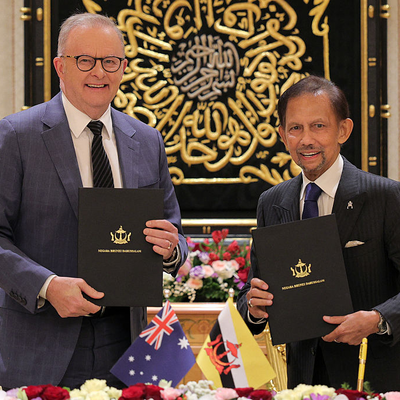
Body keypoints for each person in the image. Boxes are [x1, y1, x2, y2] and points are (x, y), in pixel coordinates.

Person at [0, 13, 188, 389]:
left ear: (123, 68)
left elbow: (175, 234)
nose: (99, 72)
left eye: (110, 61)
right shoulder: (17, 136)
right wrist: (47, 286)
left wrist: (171, 249)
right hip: (40, 342)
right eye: (85, 60)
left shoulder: (147, 140)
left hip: (125, 343)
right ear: (60, 66)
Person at [237, 76, 400, 391]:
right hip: (303, 384)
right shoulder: (271, 202)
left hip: (371, 378)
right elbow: (253, 291)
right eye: (295, 128)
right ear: (282, 135)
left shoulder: (385, 196)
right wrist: (254, 308)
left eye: (319, 126)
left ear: (343, 130)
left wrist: (377, 320)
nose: (306, 139)